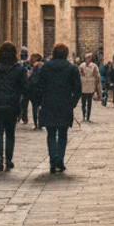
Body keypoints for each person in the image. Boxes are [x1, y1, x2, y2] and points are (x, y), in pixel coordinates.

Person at [0, 41, 29, 172]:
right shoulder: (19, 69)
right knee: (10, 133)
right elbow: (25, 87)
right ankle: (8, 160)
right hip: (12, 105)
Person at [38, 43, 81, 173]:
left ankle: (53, 161)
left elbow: (39, 86)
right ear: (66, 54)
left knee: (51, 134)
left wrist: (40, 102)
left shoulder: (45, 67)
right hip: (64, 104)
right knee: (62, 134)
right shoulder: (71, 68)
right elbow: (78, 89)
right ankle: (60, 161)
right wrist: (72, 103)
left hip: (49, 104)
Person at [78, 53, 101, 122]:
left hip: (91, 85)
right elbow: (78, 74)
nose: (88, 59)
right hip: (83, 86)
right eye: (87, 58)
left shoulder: (94, 66)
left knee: (89, 102)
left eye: (89, 58)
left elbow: (97, 75)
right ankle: (84, 115)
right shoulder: (82, 65)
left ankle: (88, 116)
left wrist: (97, 84)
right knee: (83, 102)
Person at [28, 53, 45, 129]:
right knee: (41, 107)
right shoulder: (44, 66)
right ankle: (40, 123)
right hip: (42, 90)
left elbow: (34, 80)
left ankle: (36, 124)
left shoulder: (35, 67)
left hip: (34, 90)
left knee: (35, 107)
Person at [17, 46, 31, 124]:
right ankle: (22, 117)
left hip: (22, 86)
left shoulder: (21, 63)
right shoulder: (22, 63)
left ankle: (21, 117)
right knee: (23, 103)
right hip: (23, 86)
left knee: (23, 103)